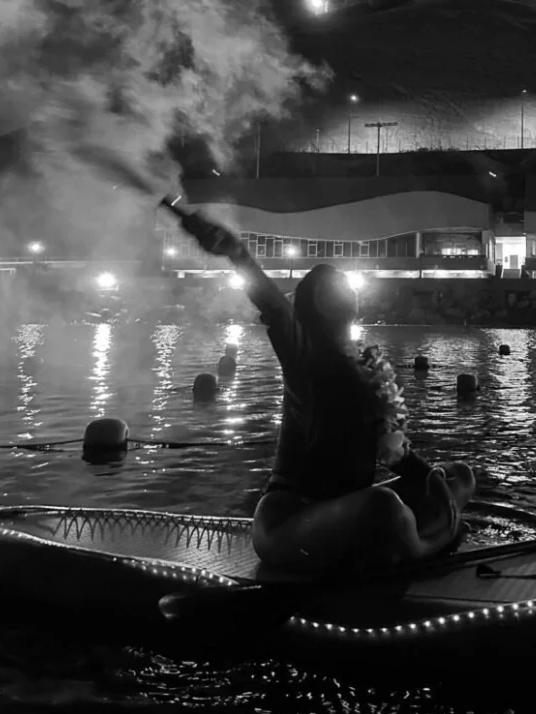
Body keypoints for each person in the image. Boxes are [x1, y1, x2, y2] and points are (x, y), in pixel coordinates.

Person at [179, 211, 476, 574]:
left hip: (342, 511)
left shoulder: (365, 371)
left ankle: (405, 542)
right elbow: (274, 305)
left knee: (458, 476)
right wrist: (237, 253)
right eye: (337, 285)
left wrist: (432, 479)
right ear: (315, 303)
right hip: (290, 521)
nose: (349, 289)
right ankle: (428, 545)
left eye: (348, 285)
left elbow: (394, 453)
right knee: (383, 507)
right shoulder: (304, 353)